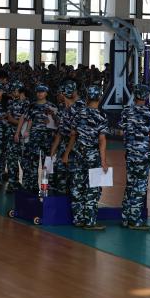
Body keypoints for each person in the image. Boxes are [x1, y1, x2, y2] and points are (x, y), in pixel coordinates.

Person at [63, 85, 109, 231]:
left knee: (77, 186)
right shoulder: (102, 116)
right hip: (93, 156)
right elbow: (102, 140)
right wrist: (103, 161)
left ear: (87, 97)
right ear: (100, 97)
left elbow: (73, 135)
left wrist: (66, 154)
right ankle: (89, 221)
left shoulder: (79, 113)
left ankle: (78, 219)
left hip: (77, 154)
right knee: (93, 188)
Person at [119, 84, 150, 231]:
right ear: (146, 96)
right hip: (143, 155)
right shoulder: (149, 113)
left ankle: (125, 218)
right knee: (140, 188)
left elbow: (121, 132)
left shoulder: (126, 111)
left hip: (130, 154)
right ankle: (134, 220)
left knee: (130, 185)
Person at [16, 84, 55, 194]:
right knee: (32, 163)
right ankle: (31, 186)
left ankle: (46, 187)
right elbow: (27, 119)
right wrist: (21, 132)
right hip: (34, 138)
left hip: (47, 139)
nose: (40, 94)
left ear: (46, 93)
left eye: (42, 92)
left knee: (47, 164)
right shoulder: (32, 106)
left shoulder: (51, 106)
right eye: (38, 92)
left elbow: (56, 123)